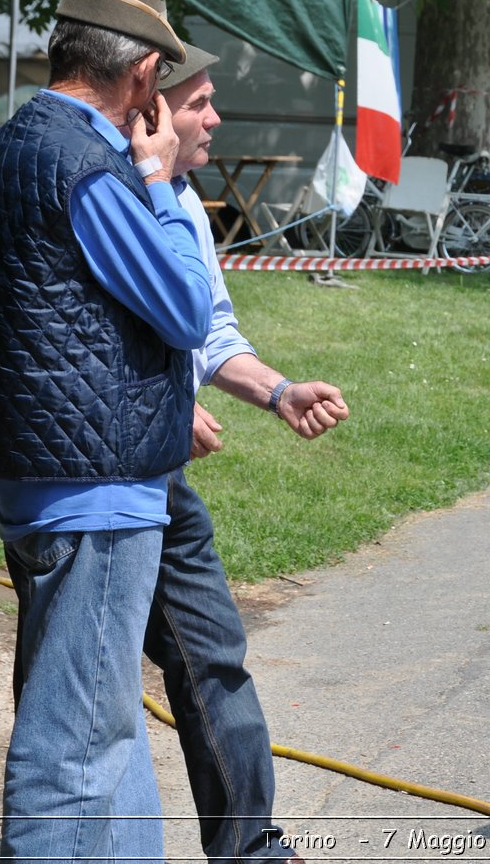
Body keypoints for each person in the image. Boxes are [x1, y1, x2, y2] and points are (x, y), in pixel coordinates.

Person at [0, 0, 209, 861]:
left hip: (38, 479)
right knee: (73, 752)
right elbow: (185, 309)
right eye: (164, 75)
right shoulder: (93, 171)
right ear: (142, 73)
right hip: (96, 495)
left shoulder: (2, 153)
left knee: (111, 734)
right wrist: (161, 181)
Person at [147, 43, 350, 860]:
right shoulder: (110, 193)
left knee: (212, 653)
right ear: (150, 108)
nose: (215, 118)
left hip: (157, 478)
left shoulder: (185, 204)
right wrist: (163, 405)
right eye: (199, 102)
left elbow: (208, 333)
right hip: (96, 478)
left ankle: (252, 849)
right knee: (80, 685)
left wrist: (277, 390)